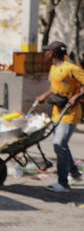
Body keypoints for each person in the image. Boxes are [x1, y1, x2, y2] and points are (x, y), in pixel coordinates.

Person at [35, 41, 84, 192]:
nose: (45, 53)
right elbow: (55, 88)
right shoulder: (53, 68)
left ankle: (63, 183)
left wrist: (77, 96)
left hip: (70, 114)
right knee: (62, 145)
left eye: (47, 51)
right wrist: (44, 96)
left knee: (59, 145)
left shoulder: (72, 68)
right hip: (57, 113)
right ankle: (75, 173)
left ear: (53, 53)